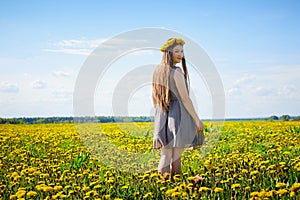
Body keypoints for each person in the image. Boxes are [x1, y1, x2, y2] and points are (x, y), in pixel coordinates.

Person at [152, 38, 205, 179]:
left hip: (162, 114)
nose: (180, 54)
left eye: (181, 51)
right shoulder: (176, 71)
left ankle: (163, 186)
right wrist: (197, 120)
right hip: (178, 115)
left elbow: (157, 97)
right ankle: (176, 185)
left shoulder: (158, 71)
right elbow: (185, 99)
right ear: (168, 52)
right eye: (176, 51)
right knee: (176, 156)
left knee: (166, 153)